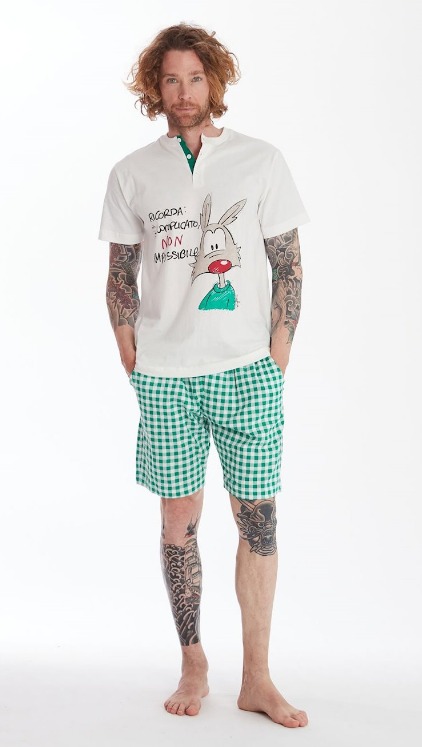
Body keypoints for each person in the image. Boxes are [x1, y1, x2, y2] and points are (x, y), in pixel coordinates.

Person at [98, 23, 310, 727]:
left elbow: (288, 264)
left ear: (214, 82)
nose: (183, 92)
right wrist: (129, 346)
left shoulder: (260, 160)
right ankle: (194, 661)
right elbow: (120, 272)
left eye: (194, 78)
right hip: (166, 375)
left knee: (259, 520)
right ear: (154, 89)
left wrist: (277, 355)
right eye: (170, 80)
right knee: (177, 521)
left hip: (247, 370)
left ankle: (257, 677)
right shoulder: (132, 172)